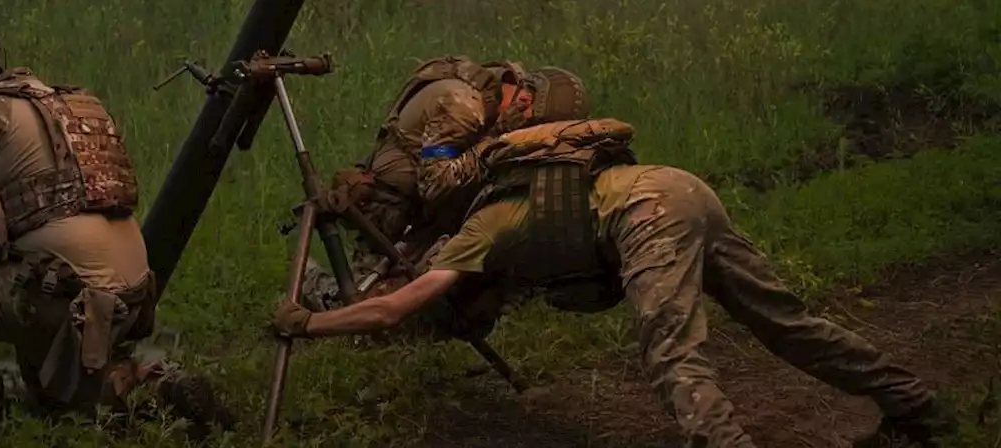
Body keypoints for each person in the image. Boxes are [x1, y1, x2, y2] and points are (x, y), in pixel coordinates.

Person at [271, 85, 958, 447]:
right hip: (680, 189)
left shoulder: (480, 227)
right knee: (787, 323)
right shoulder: (526, 186)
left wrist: (308, 322)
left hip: (648, 219)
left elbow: (395, 306)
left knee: (674, 359)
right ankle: (916, 405)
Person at [0, 38, 232, 435]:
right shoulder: (78, 104)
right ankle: (157, 386)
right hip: (131, 292)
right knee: (55, 401)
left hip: (61, 294)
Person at [299, 56, 579, 312]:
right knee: (363, 310)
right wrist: (497, 141)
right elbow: (435, 183)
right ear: (525, 101)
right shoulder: (463, 106)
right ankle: (309, 281)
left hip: (434, 202)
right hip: (395, 204)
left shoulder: (506, 88)